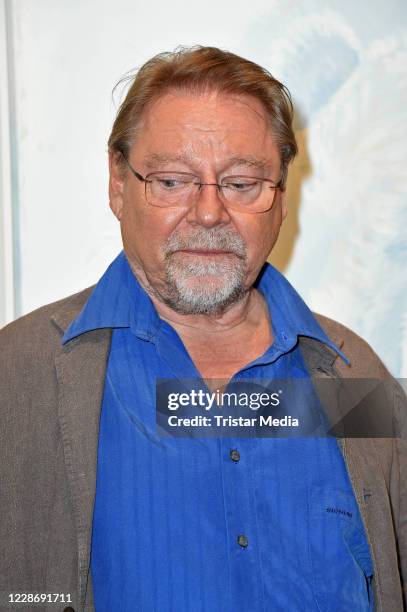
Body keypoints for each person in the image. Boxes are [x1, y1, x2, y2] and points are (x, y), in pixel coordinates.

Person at [0, 46, 405, 612]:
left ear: (281, 198)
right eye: (171, 181)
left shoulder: (351, 371)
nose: (209, 213)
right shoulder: (16, 377)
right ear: (118, 183)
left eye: (242, 184)